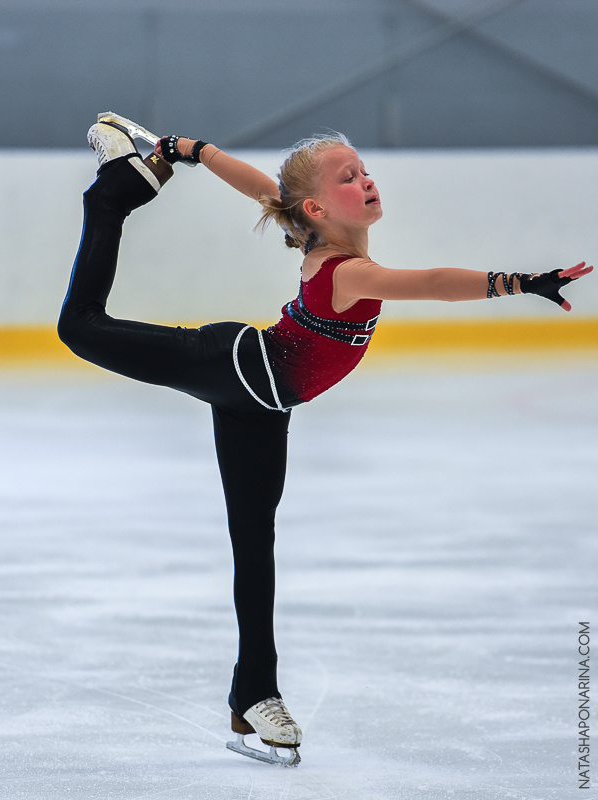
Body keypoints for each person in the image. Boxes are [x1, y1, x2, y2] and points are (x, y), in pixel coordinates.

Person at [58, 113, 592, 768]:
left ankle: (254, 692)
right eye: (348, 177)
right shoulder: (347, 270)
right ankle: (109, 197)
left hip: (264, 404)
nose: (365, 181)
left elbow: (261, 188)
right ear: (317, 206)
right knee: (79, 328)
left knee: (254, 544)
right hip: (234, 367)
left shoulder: (314, 232)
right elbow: (432, 285)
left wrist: (189, 150)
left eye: (364, 171)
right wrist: (521, 282)